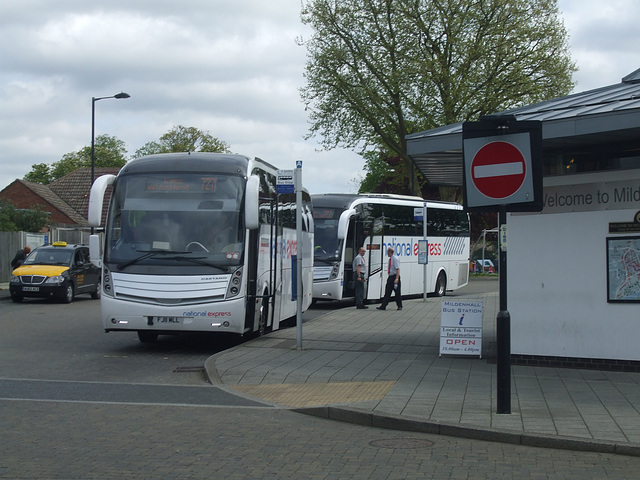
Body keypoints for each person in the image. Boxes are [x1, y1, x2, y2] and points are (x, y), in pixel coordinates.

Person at [377, 246, 402, 311]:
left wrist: (396, 279)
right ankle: (383, 306)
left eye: (387, 252)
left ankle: (399, 306)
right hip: (390, 277)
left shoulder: (395, 259)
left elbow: (398, 269)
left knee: (397, 292)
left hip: (395, 277)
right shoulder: (390, 259)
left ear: (390, 252)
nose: (387, 253)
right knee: (387, 292)